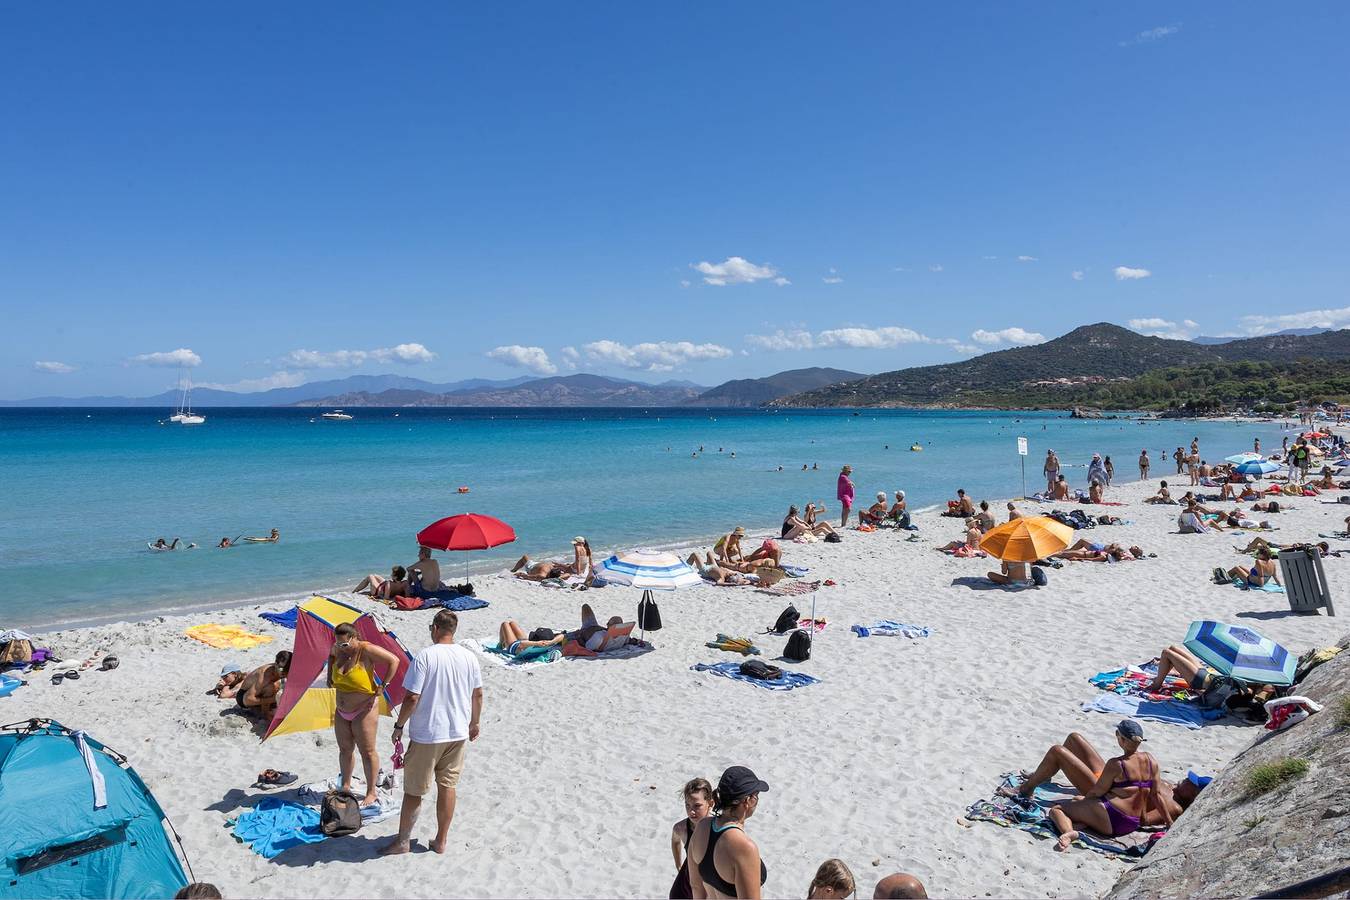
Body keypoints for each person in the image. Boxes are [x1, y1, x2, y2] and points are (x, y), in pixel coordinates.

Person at [1003, 722, 1200, 851]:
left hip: (1106, 794)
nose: (1187, 779)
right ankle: (1042, 774)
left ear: (1193, 794)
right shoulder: (1155, 767)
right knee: (1074, 738)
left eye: (1192, 782)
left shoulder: (1174, 806)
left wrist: (1086, 803)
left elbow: (1142, 818)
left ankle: (1026, 789)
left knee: (1058, 752)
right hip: (1112, 784)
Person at [382, 609, 483, 856]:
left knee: (414, 791)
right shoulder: (468, 657)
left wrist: (399, 725)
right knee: (448, 786)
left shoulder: (425, 656)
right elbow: (477, 694)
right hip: (457, 732)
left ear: (435, 628)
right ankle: (441, 841)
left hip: (428, 734)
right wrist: (474, 723)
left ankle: (403, 842)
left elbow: (412, 697)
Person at [327, 622, 401, 809]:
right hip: (342, 710)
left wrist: (383, 685)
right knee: (345, 749)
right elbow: (330, 656)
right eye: (338, 643)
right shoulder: (337, 649)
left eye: (345, 644)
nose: (341, 647)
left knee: (367, 751)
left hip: (364, 709)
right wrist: (329, 675)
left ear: (354, 638)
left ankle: (371, 791)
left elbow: (394, 660)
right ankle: (345, 785)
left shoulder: (365, 650)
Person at [687, 766, 769, 900]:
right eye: (756, 796)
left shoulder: (702, 827)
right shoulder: (745, 847)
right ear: (748, 801)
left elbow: (696, 886)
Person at [671, 778, 715, 899]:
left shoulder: (718, 827)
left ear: (710, 804)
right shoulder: (681, 828)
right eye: (687, 805)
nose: (691, 811)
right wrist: (678, 865)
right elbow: (675, 841)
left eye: (697, 806)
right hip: (688, 881)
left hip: (712, 883)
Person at [235, 651, 291, 719]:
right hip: (243, 698)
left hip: (259, 695)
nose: (285, 671)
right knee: (272, 687)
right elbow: (248, 699)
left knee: (279, 687)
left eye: (288, 669)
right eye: (282, 669)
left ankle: (266, 707)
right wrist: (273, 699)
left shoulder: (285, 669)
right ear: (275, 664)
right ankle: (265, 714)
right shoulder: (265, 674)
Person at [496, 619, 567, 656]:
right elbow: (562, 636)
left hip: (513, 647)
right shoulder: (550, 643)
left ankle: (501, 643)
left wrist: (537, 643)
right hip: (526, 642)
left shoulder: (533, 646)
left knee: (505, 624)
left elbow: (521, 644)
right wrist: (552, 641)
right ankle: (503, 642)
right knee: (512, 623)